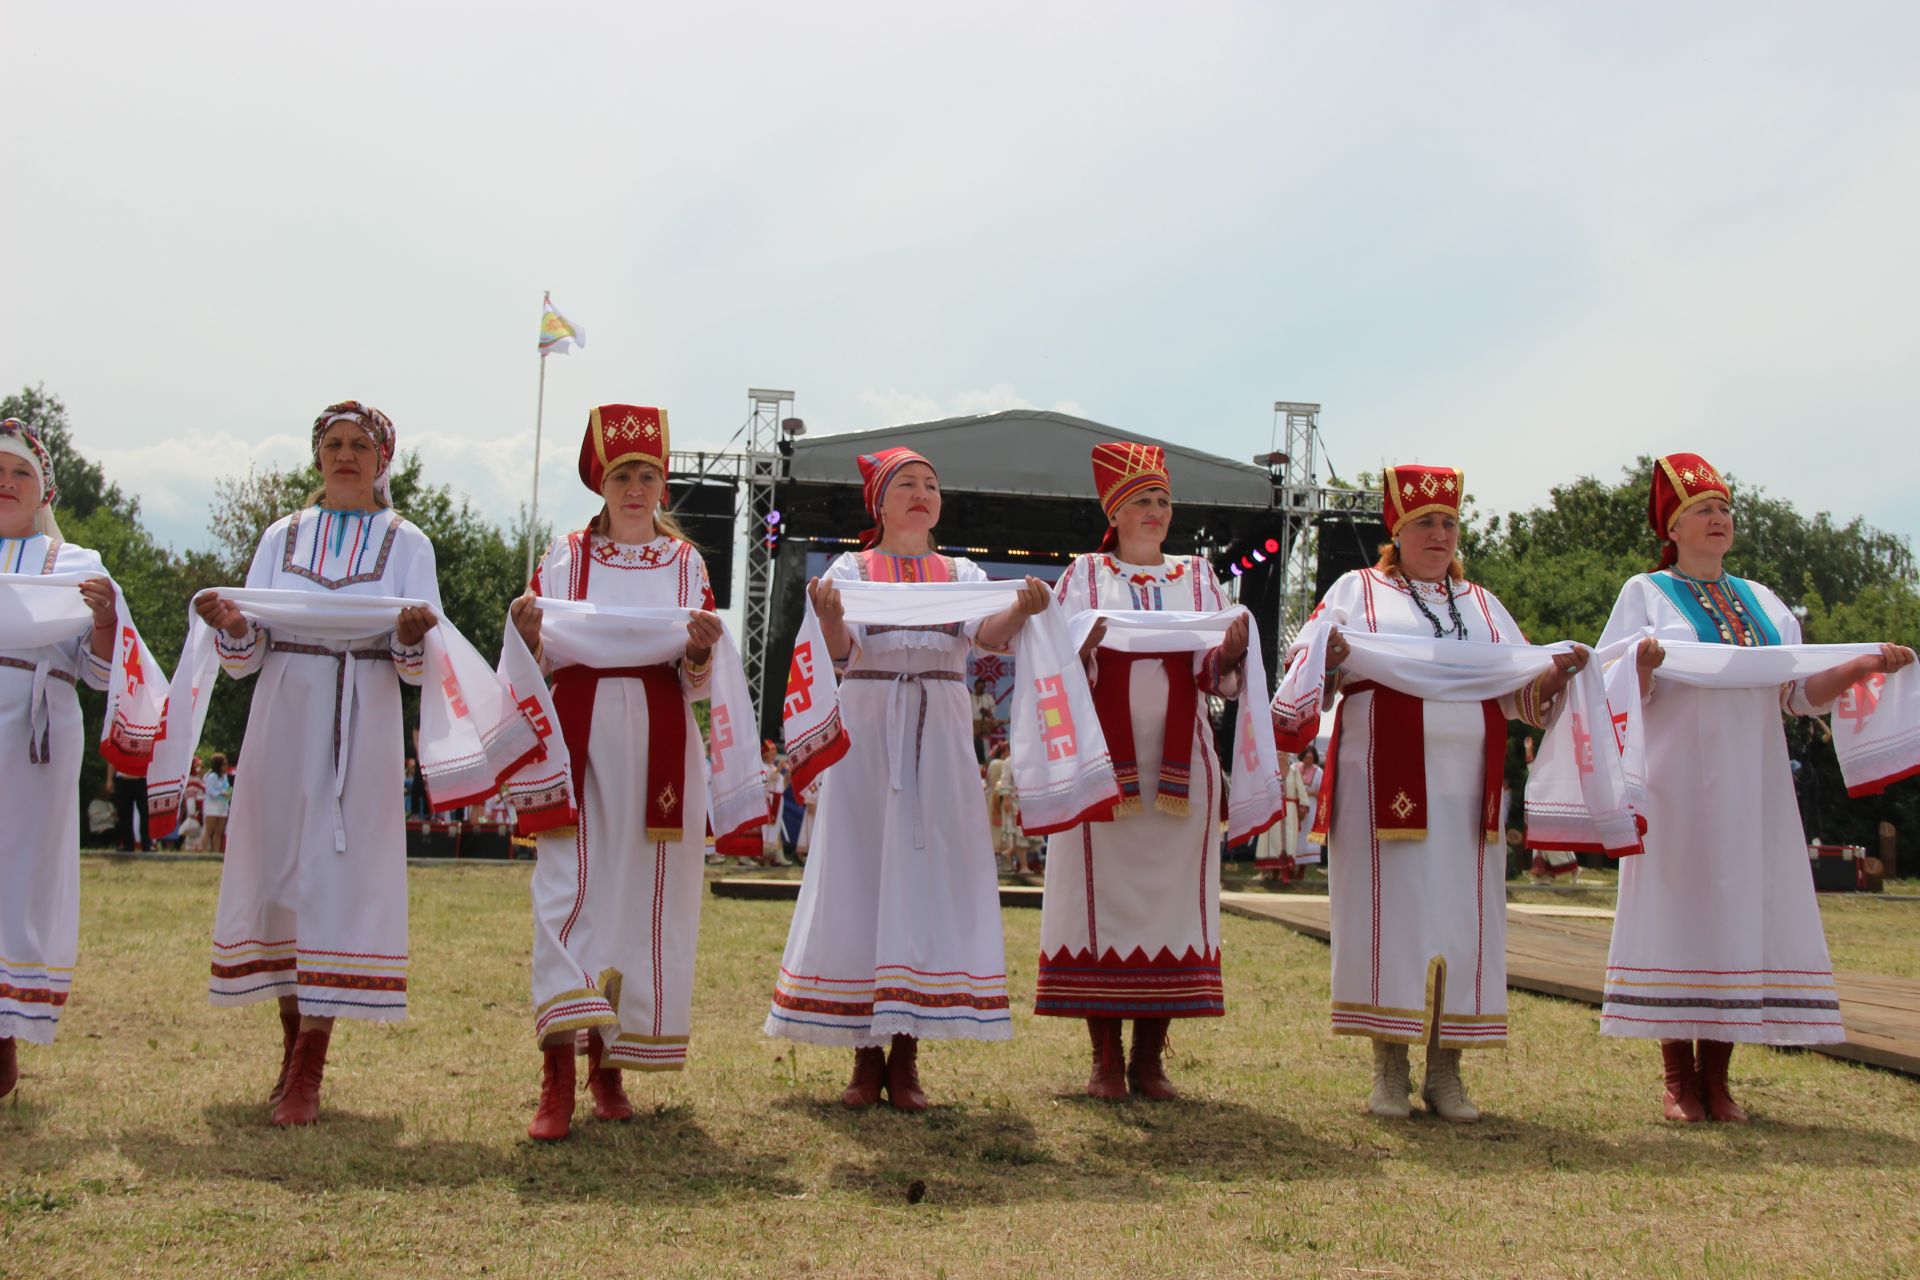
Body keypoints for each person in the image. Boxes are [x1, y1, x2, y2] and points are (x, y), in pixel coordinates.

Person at [1598, 453, 1915, 1122]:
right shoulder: (1645, 594)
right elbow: (1613, 691)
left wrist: (1860, 664)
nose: (1718, 520)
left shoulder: (1764, 602)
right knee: (1678, 906)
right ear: (1673, 527)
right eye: (1702, 511)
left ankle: (1718, 1079)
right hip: (1676, 781)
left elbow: (1799, 693)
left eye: (1724, 510)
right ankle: (1677, 1080)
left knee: (1738, 911)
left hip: (1753, 784)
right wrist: (1645, 664)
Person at [1287, 466, 1585, 1122]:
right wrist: (1332, 658)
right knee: (1388, 920)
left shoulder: (1481, 605)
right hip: (1379, 788)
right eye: (1426, 522)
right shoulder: (1356, 592)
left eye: (1449, 522)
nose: (1440, 533)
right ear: (1397, 528)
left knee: (1463, 923)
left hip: (1467, 791)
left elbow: (1522, 694)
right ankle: (1388, 1069)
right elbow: (1307, 677)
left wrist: (1556, 673)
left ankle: (1446, 1072)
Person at [766, 446, 1049, 1110]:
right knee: (864, 873)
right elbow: (838, 649)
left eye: (931, 485)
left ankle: (908, 1054)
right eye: (907, 484)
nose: (922, 494)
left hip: (942, 729)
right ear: (880, 503)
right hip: (869, 726)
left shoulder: (961, 570)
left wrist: (1025, 609)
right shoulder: (851, 567)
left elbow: (988, 632)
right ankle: (866, 1058)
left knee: (927, 878)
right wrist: (831, 611)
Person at [193, 401, 442, 1127]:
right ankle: (287, 1045)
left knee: (335, 876)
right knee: (281, 873)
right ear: (317, 457)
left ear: (382, 460)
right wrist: (233, 626)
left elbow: (421, 667)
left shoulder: (408, 542)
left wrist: (408, 636)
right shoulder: (281, 536)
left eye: (360, 445)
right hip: (283, 713)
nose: (345, 455)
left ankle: (310, 1065)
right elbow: (245, 659)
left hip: (361, 714)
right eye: (332, 444)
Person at [511, 403, 731, 1142]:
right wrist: (530, 635)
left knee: (644, 898)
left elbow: (695, 679)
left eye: (647, 475)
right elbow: (540, 663)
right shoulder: (565, 556)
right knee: (566, 891)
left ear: (663, 487)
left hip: (659, 736)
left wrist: (699, 651)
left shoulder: (685, 563)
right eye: (621, 474)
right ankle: (556, 1075)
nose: (635, 487)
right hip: (576, 730)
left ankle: (608, 1064)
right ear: (600, 483)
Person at [1034, 442, 1249, 1100]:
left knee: (1170, 906)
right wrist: (1084, 650)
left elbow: (1216, 676)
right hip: (1103, 768)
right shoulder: (1084, 576)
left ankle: (1151, 1059)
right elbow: (1053, 664)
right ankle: (1104, 1058)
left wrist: (1232, 652)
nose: (1154, 511)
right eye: (1140, 501)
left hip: (1183, 764)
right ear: (1115, 511)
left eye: (1162, 500)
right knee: (1095, 900)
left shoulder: (1200, 578)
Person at [0, 417, 139, 1099]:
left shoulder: (78, 565)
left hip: (36, 735)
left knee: (21, 872)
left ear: (43, 489)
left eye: (19, 472)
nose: (6, 482)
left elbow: (101, 675)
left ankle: (4, 1032)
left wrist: (109, 621)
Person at [200, 753, 231, 854]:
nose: (226, 766)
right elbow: (210, 791)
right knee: (209, 831)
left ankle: (216, 852)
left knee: (219, 832)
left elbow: (226, 788)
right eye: (224, 764)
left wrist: (228, 792)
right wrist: (221, 793)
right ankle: (203, 850)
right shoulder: (212, 776)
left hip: (222, 806)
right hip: (212, 806)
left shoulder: (224, 777)